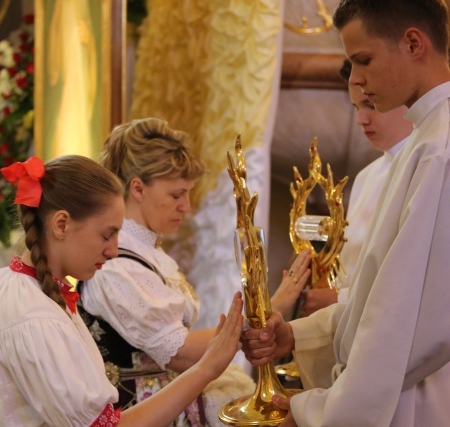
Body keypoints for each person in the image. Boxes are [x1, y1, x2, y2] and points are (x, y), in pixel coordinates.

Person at [241, 0, 450, 425]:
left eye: (364, 60)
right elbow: (382, 297)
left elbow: (414, 324)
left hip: (414, 401)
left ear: (413, 43)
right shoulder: (420, 144)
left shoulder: (438, 151)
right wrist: (300, 334)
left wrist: (319, 411)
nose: (356, 80)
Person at [0, 154, 246, 427]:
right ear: (61, 224)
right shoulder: (35, 316)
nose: (112, 250)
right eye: (106, 234)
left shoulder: (7, 283)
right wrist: (206, 369)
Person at [78, 118, 311, 425]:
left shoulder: (147, 252)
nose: (186, 207)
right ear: (138, 188)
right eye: (177, 195)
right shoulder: (116, 266)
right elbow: (181, 353)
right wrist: (266, 311)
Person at [270, 58, 413, 319]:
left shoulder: (426, 168)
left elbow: (412, 273)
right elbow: (353, 263)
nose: (361, 119)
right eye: (356, 107)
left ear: (408, 98)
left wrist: (340, 299)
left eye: (371, 105)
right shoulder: (367, 176)